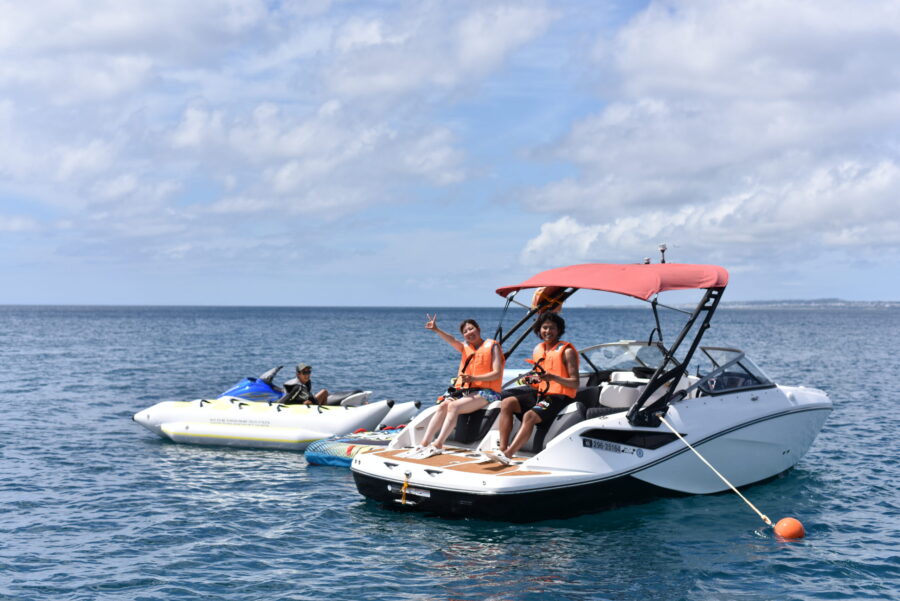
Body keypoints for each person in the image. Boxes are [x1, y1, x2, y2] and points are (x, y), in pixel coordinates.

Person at [406, 314, 505, 458]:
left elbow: (496, 373)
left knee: (453, 406)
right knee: (442, 406)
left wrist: (474, 377)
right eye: (465, 332)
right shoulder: (465, 348)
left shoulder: (493, 346)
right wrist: (436, 329)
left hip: (488, 392)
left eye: (471, 329)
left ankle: (438, 444)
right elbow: (451, 340)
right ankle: (424, 444)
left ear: (478, 329)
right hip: (466, 390)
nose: (469, 333)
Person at [489, 312, 579, 465]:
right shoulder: (539, 350)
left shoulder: (567, 351)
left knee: (529, 416)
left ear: (559, 330)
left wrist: (554, 378)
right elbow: (538, 380)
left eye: (552, 328)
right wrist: (530, 379)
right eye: (544, 328)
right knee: (507, 403)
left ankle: (509, 455)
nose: (548, 331)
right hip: (541, 394)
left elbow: (575, 383)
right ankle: (502, 449)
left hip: (559, 397)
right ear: (539, 330)